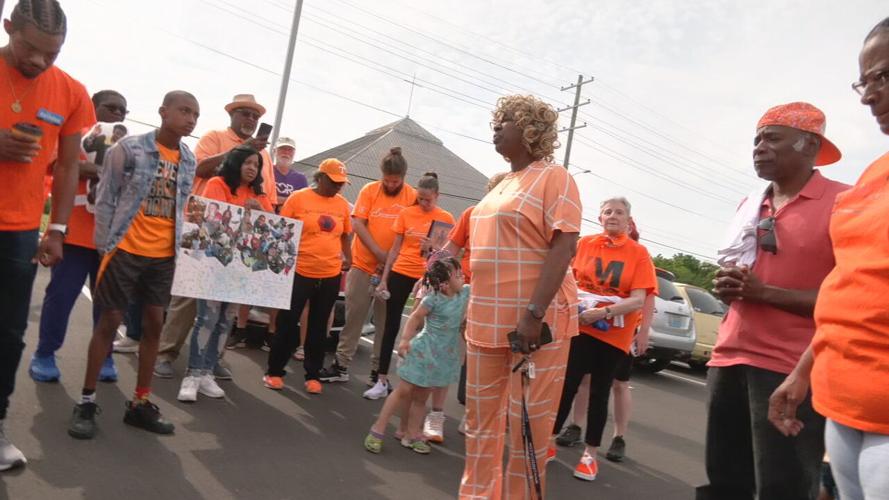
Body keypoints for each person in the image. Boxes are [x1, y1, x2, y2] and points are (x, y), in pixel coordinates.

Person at [698, 102, 849, 500]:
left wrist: (765, 294)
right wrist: (729, 287)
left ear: (809, 145)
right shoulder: (750, 205)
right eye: (756, 139)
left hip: (791, 370)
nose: (759, 147)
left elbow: (851, 299)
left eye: (772, 138)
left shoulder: (846, 204)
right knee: (724, 484)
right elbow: (745, 278)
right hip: (728, 358)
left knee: (782, 488)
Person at [769, 18, 889, 500]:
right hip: (841, 412)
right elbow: (853, 287)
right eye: (864, 80)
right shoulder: (875, 176)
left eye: (881, 77)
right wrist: (802, 376)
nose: (866, 96)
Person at [460, 95, 581, 499]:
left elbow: (564, 246)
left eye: (505, 121)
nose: (496, 128)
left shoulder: (554, 178)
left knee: (527, 428)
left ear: (530, 130)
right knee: (480, 424)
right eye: (495, 121)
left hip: (533, 326)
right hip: (484, 322)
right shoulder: (500, 185)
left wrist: (534, 313)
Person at [67, 91, 200, 440]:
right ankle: (86, 400)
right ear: (163, 111)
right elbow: (107, 195)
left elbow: (181, 207)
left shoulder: (188, 158)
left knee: (154, 323)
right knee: (110, 322)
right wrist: (104, 246)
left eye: (196, 115)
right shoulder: (128, 149)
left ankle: (140, 403)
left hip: (162, 256)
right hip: (124, 248)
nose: (191, 119)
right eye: (184, 111)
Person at [0, 0, 95, 471]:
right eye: (28, 47)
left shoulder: (71, 92)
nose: (38, 61)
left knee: (9, 334)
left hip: (18, 232)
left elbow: (70, 164)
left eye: (51, 54)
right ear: (7, 27)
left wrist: (56, 229)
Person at [155, 93, 274, 380]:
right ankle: (166, 353)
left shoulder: (265, 155)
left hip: (239, 238)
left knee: (226, 303)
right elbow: (196, 168)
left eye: (255, 116)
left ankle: (213, 358)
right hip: (203, 228)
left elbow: (265, 192)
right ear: (232, 115)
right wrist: (242, 149)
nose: (250, 120)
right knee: (187, 296)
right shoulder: (214, 137)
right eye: (245, 114)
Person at [549, 197, 656, 481]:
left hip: (613, 334)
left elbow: (638, 300)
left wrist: (603, 312)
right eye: (607, 211)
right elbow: (566, 279)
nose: (613, 216)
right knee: (567, 384)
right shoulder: (585, 244)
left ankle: (590, 455)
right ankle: (547, 441)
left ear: (628, 220)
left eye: (619, 212)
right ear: (599, 217)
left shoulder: (638, 253)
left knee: (600, 391)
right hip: (579, 326)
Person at [29, 90, 128, 384]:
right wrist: (96, 170)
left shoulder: (129, 147)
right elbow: (55, 165)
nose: (118, 115)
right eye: (112, 108)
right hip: (72, 234)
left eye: (123, 111)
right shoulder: (76, 136)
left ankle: (105, 355)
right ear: (93, 108)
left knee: (109, 305)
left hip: (110, 240)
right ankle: (45, 353)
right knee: (60, 298)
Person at [177, 146, 272, 402]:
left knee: (225, 320)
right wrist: (246, 214)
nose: (252, 168)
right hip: (211, 267)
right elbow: (210, 217)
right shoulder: (218, 183)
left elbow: (273, 225)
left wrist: (259, 212)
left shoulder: (258, 194)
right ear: (236, 163)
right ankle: (192, 375)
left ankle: (207, 372)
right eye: (248, 162)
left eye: (257, 164)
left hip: (238, 272)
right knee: (206, 319)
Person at [422, 171, 508, 443]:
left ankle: (474, 416)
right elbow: (450, 250)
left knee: (483, 362)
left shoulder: (515, 223)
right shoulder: (472, 214)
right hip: (459, 294)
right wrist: (430, 278)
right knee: (445, 355)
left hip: (493, 299)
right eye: (496, 192)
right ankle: (435, 416)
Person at [318, 147, 416, 384]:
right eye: (387, 180)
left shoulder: (411, 196)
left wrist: (390, 261)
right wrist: (379, 253)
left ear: (403, 177)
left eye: (396, 181)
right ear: (381, 175)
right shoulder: (369, 191)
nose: (391, 185)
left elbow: (411, 231)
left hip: (392, 271)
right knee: (354, 316)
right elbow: (359, 224)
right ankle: (341, 365)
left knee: (385, 321)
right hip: (363, 264)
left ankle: (377, 371)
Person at [364, 254, 469, 455]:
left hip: (440, 356)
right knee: (403, 391)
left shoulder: (463, 294)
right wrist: (404, 341)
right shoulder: (433, 299)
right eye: (458, 275)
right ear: (445, 284)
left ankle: (410, 434)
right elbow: (414, 319)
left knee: (421, 397)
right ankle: (378, 429)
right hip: (422, 351)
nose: (463, 277)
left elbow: (481, 286)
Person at [263, 158, 352, 395]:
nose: (337, 187)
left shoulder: (343, 205)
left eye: (341, 184)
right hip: (300, 271)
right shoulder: (298, 198)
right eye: (334, 182)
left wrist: (348, 257)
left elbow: (345, 235)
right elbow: (282, 231)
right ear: (320, 177)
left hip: (330, 273)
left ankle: (313, 374)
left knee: (318, 326)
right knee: (288, 322)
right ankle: (274, 372)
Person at [364, 172, 455, 400]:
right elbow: (395, 249)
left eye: (429, 200)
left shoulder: (445, 218)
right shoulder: (406, 213)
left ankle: (410, 383)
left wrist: (433, 247)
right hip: (400, 272)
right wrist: (385, 277)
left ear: (437, 196)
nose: (424, 203)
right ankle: (381, 379)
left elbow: (447, 255)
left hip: (426, 278)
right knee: (390, 326)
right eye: (421, 199)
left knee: (419, 331)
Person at [271, 136, 306, 211]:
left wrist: (277, 200)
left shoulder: (300, 178)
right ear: (274, 151)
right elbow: (263, 198)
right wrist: (290, 201)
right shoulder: (267, 171)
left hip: (290, 220)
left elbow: (302, 204)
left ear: (294, 153)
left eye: (290, 150)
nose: (286, 152)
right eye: (282, 149)